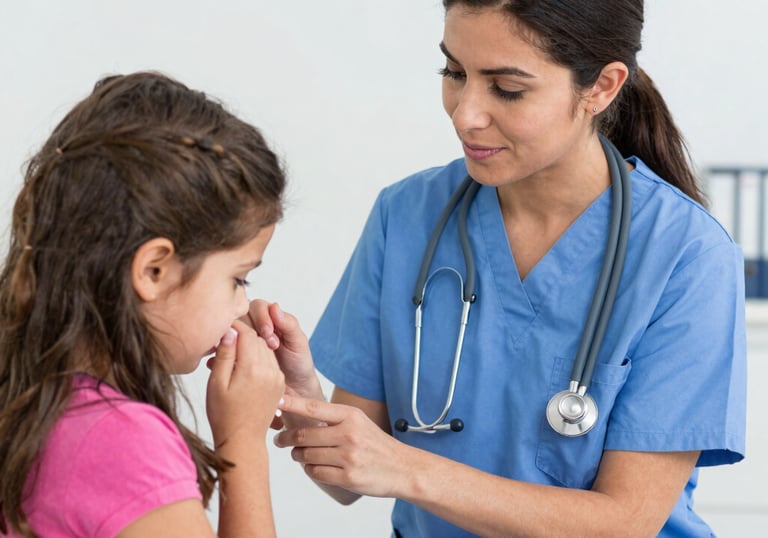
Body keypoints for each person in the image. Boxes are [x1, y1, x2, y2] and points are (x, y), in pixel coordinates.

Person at [253, 1, 748, 536]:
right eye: (454, 73)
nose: (466, 113)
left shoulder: (685, 254)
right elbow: (349, 481)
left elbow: (624, 523)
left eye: (507, 88)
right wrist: (303, 400)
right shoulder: (407, 216)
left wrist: (406, 469)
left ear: (602, 87)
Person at [0, 72, 287, 537]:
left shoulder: (32, 396)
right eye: (238, 278)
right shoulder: (123, 443)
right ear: (153, 270)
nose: (243, 306)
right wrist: (244, 442)